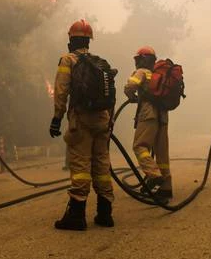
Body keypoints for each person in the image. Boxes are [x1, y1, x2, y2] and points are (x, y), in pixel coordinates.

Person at [49, 19, 115, 230]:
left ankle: (76, 215)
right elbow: (110, 96)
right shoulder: (99, 62)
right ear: (88, 41)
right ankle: (105, 213)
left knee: (80, 166)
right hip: (103, 119)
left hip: (82, 119)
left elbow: (61, 91)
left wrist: (57, 118)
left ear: (71, 40)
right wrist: (109, 121)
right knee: (102, 165)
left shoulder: (68, 60)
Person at [123, 46, 173, 201]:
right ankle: (166, 188)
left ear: (141, 60)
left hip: (148, 114)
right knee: (161, 153)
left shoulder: (141, 72)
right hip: (163, 117)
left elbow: (130, 87)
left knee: (140, 146)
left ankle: (154, 175)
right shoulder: (158, 75)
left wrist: (132, 96)